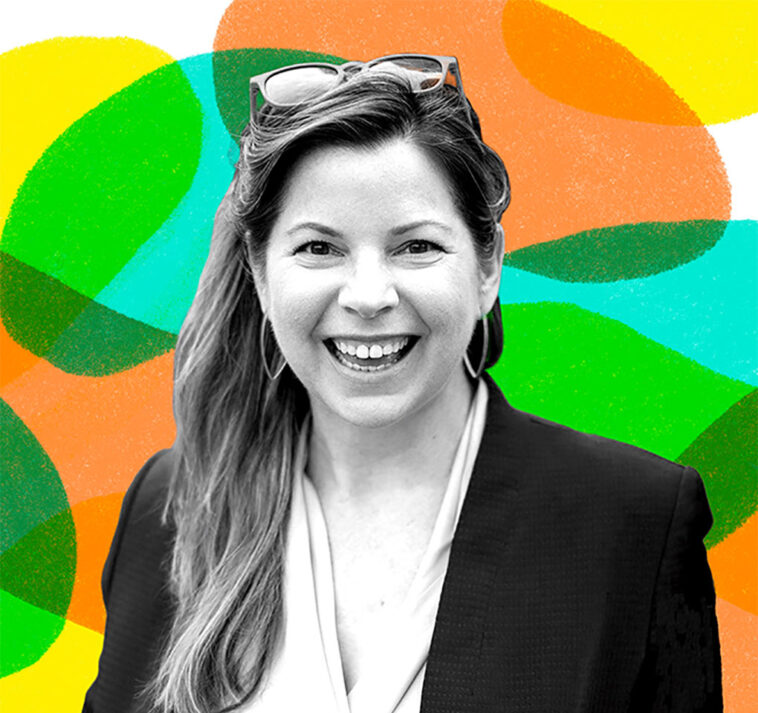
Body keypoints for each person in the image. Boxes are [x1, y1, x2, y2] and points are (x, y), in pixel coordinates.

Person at [83, 55, 722, 713]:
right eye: (319, 248)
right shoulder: (172, 504)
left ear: (488, 266)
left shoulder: (633, 524)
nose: (368, 296)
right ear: (260, 272)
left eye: (416, 246)